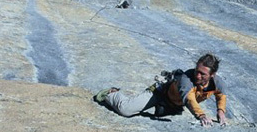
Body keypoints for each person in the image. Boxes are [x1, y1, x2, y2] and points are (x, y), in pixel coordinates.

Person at [94, 53, 227, 127]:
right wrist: (201, 115)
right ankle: (111, 94)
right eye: (197, 71)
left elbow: (221, 95)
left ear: (212, 75)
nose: (198, 75)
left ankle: (162, 109)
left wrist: (220, 112)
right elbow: (189, 98)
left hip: (173, 104)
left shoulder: (217, 82)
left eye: (203, 74)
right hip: (159, 93)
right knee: (126, 109)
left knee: (160, 115)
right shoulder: (186, 79)